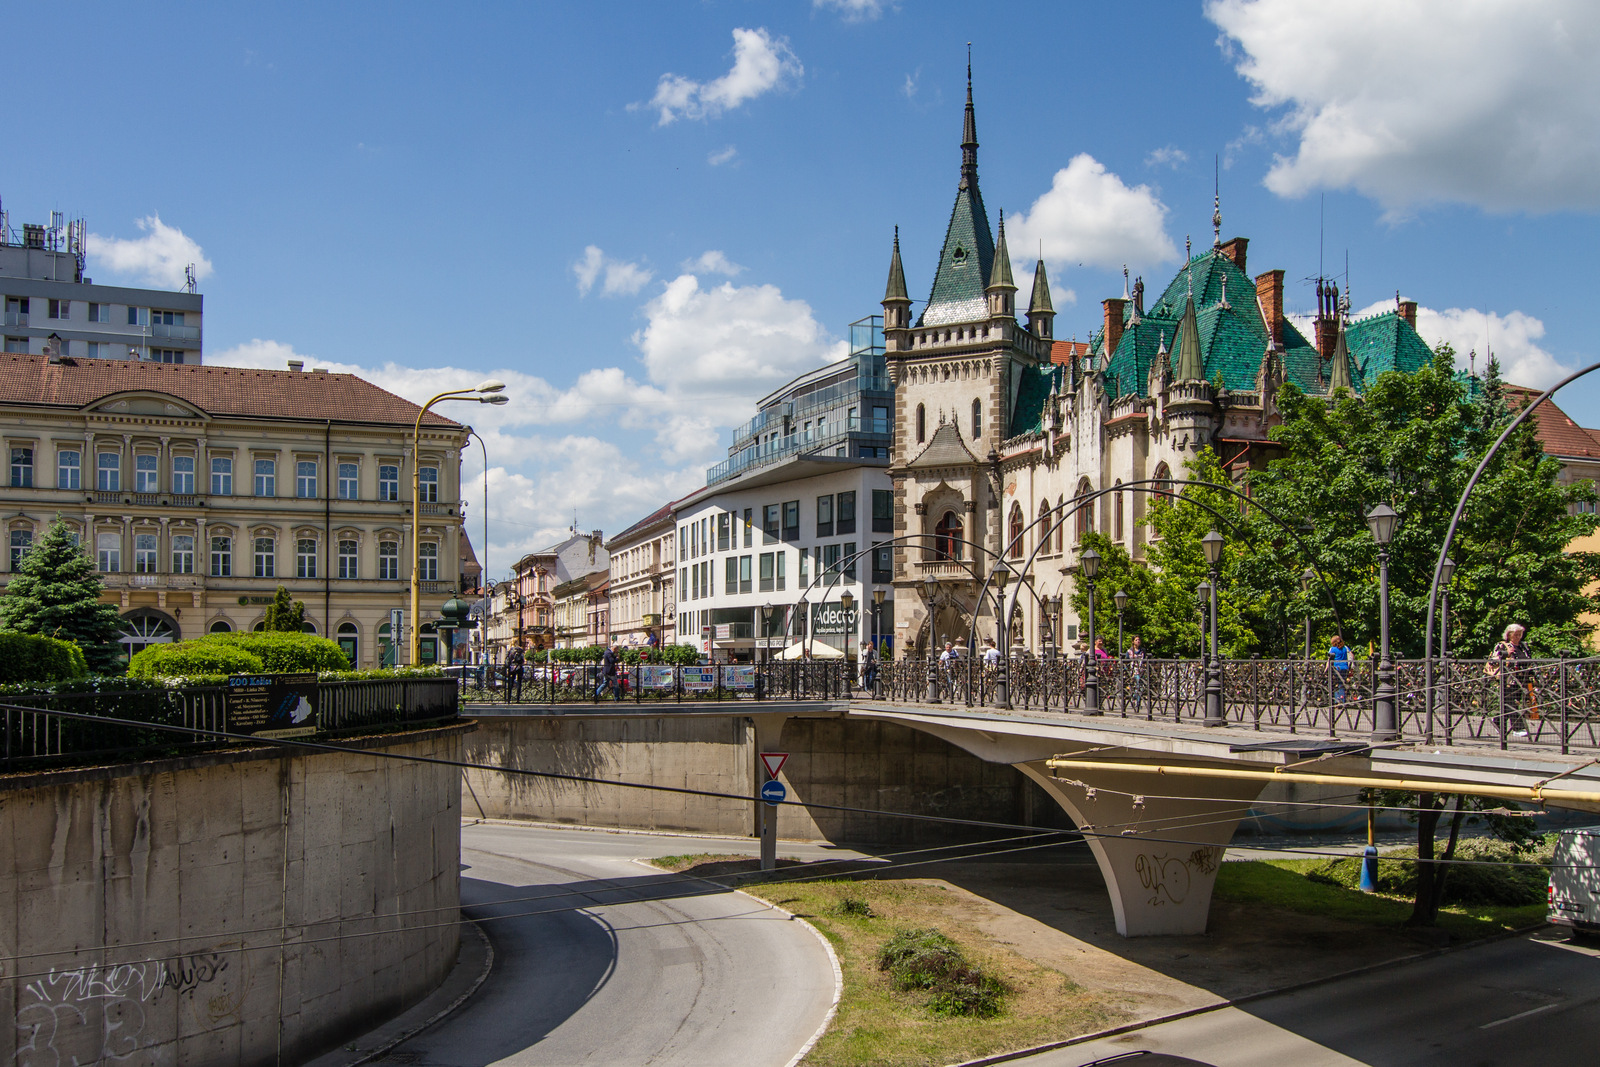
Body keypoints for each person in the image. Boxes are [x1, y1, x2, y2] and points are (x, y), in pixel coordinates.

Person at [1489, 623, 1532, 738]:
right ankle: (1518, 728)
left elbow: (1529, 660)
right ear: (1509, 635)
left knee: (1510, 703)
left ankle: (1497, 720)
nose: (1518, 637)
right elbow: (1492, 661)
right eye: (1515, 635)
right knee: (1512, 703)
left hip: (1522, 678)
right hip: (1507, 679)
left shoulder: (1524, 646)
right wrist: (1506, 654)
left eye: (1519, 634)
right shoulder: (1502, 645)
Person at [1126, 635, 1148, 713]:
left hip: (1141, 671)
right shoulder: (1129, 651)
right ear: (1133, 641)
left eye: (1139, 640)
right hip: (1133, 671)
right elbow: (1126, 662)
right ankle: (1134, 699)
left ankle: (1138, 702)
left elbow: (1145, 660)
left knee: (1140, 687)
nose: (1138, 641)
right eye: (1136, 640)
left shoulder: (1143, 651)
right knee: (1135, 686)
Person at [1328, 634, 1351, 706]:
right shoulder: (1345, 648)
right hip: (1345, 667)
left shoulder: (1333, 649)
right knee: (1342, 684)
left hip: (1336, 668)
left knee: (1336, 684)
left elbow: (1329, 659)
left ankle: (1337, 701)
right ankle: (1342, 700)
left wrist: (1326, 669)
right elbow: (1351, 655)